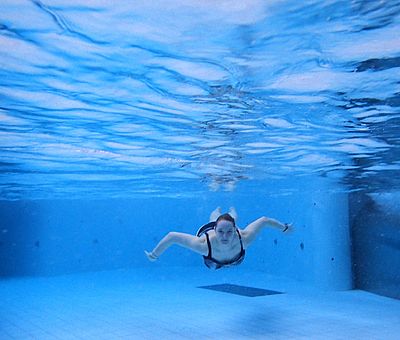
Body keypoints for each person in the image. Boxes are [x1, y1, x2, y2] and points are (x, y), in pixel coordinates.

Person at [144, 207, 293, 269]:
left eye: (229, 232)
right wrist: (154, 255)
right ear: (216, 230)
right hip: (211, 249)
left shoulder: (244, 239)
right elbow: (172, 236)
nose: (224, 237)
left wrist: (284, 227)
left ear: (235, 231)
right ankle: (217, 211)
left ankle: (232, 212)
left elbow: (264, 220)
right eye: (220, 232)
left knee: (231, 218)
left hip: (235, 257)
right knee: (215, 217)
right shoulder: (203, 245)